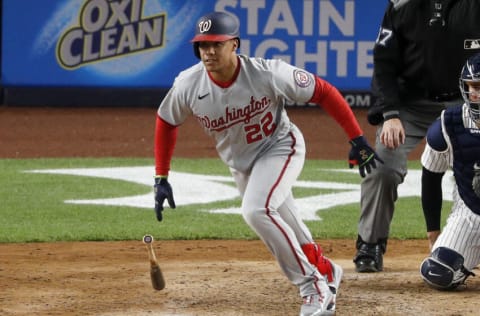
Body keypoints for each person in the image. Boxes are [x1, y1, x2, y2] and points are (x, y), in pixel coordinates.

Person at [153, 11, 381, 316]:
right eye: (202, 45)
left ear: (234, 44)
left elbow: (324, 91)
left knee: (256, 210)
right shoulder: (189, 84)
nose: (208, 51)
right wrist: (161, 175)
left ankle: (312, 287)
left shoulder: (267, 73)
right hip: (242, 165)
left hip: (280, 147)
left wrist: (357, 139)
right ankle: (325, 271)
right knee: (286, 223)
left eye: (215, 44)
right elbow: (166, 121)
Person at [354, 0, 480, 272]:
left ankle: (465, 242)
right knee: (383, 167)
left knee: (475, 170)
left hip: (465, 100)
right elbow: (384, 63)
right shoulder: (402, 6)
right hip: (409, 104)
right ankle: (370, 244)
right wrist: (390, 114)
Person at [419, 53, 480, 290]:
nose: (476, 94)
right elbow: (431, 177)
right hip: (470, 215)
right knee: (436, 272)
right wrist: (433, 231)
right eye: (473, 87)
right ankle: (463, 260)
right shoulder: (448, 124)